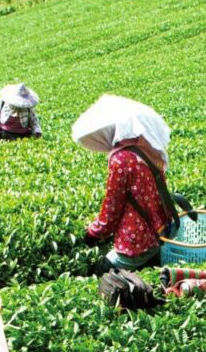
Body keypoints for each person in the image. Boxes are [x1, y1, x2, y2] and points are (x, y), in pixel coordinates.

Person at [72, 94, 180, 272]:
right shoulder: (150, 150)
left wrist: (94, 233)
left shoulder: (121, 159)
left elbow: (112, 205)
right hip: (161, 231)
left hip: (137, 240)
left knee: (101, 272)